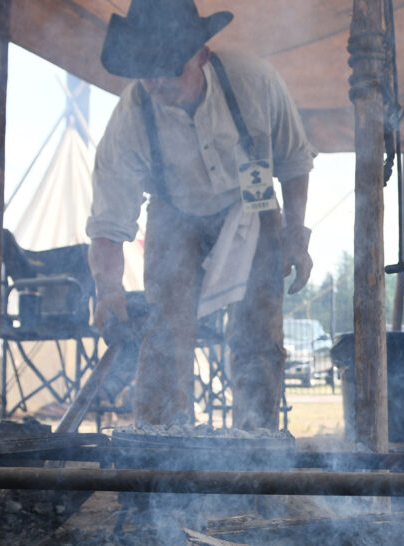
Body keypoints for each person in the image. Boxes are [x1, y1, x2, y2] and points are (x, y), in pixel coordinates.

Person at [86, 0, 316, 432]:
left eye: (169, 68)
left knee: (258, 333)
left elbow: (293, 162)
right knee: (164, 333)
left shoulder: (255, 81)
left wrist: (294, 234)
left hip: (253, 201)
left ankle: (256, 443)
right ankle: (161, 444)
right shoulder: (130, 119)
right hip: (175, 211)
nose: (157, 81)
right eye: (147, 70)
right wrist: (108, 290)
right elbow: (108, 220)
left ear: (202, 56)